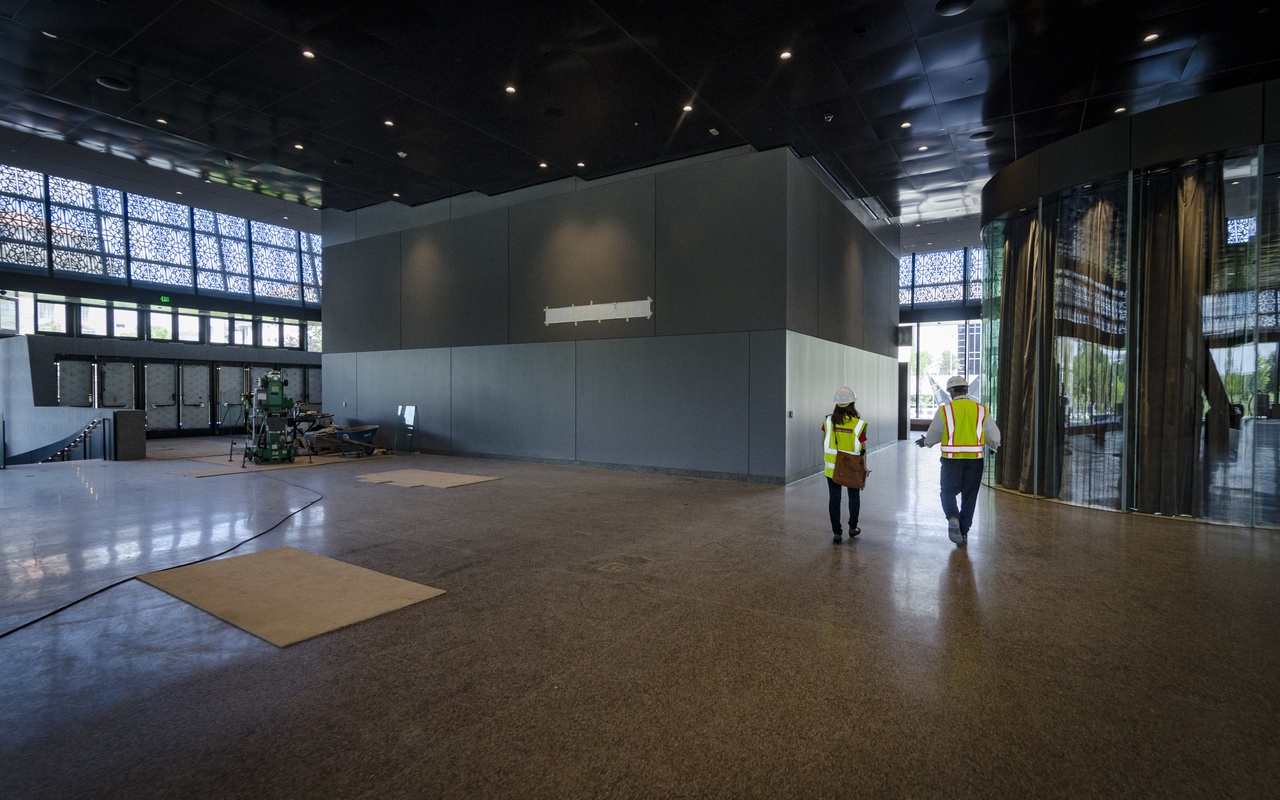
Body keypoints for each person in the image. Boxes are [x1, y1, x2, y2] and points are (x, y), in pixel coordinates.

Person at [916, 375, 1001, 546]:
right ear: (966, 390)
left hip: (951, 460)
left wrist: (927, 442)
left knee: (947, 492)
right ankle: (964, 531)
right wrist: (994, 446)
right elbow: (994, 435)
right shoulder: (981, 409)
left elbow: (935, 433)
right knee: (970, 496)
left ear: (952, 392)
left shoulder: (945, 410)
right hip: (975, 461)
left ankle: (953, 516)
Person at [822, 386, 868, 544]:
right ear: (852, 404)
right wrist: (864, 468)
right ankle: (853, 527)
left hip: (832, 467)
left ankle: (837, 532)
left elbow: (823, 442)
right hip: (852, 467)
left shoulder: (828, 421)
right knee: (854, 496)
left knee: (834, 499)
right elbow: (863, 449)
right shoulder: (858, 424)